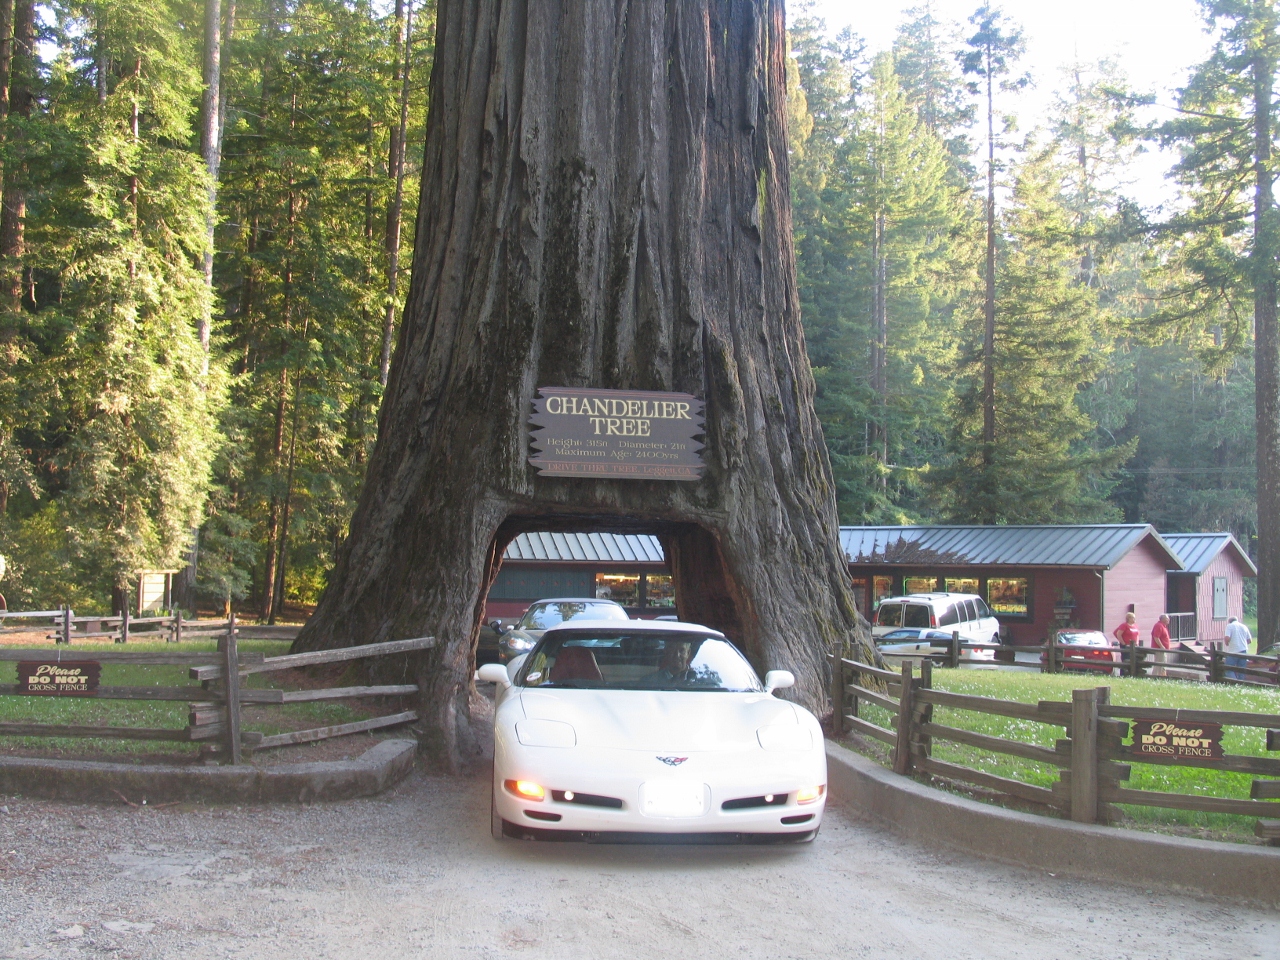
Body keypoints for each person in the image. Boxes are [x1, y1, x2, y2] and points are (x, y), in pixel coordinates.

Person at [1224, 616, 1252, 681]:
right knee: (1241, 669)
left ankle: (1234, 681)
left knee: (1228, 668)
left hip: (1234, 650)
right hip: (1244, 650)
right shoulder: (1244, 626)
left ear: (1229, 621)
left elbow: (1227, 638)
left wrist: (1227, 643)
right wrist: (1242, 644)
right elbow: (1249, 640)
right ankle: (1241, 682)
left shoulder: (1229, 626)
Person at [1150, 614, 1172, 678]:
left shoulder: (1163, 626)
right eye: (1167, 618)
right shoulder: (1159, 626)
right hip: (1159, 649)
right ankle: (1155, 677)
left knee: (1163, 664)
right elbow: (1156, 637)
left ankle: (1162, 677)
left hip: (1163, 650)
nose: (1168, 620)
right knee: (1159, 664)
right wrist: (1161, 646)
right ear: (1162, 619)